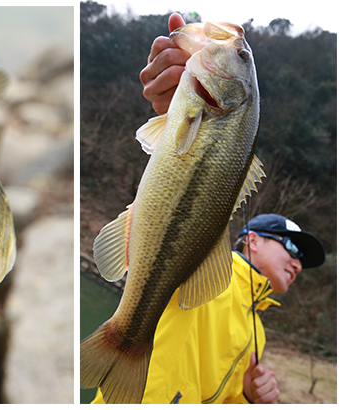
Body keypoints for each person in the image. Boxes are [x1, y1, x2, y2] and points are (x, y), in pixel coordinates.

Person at [91, 14, 328, 404]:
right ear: (250, 240)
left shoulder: (258, 331)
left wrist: (248, 397)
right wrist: (174, 104)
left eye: (303, 255)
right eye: (292, 246)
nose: (299, 261)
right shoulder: (222, 280)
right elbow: (176, 177)